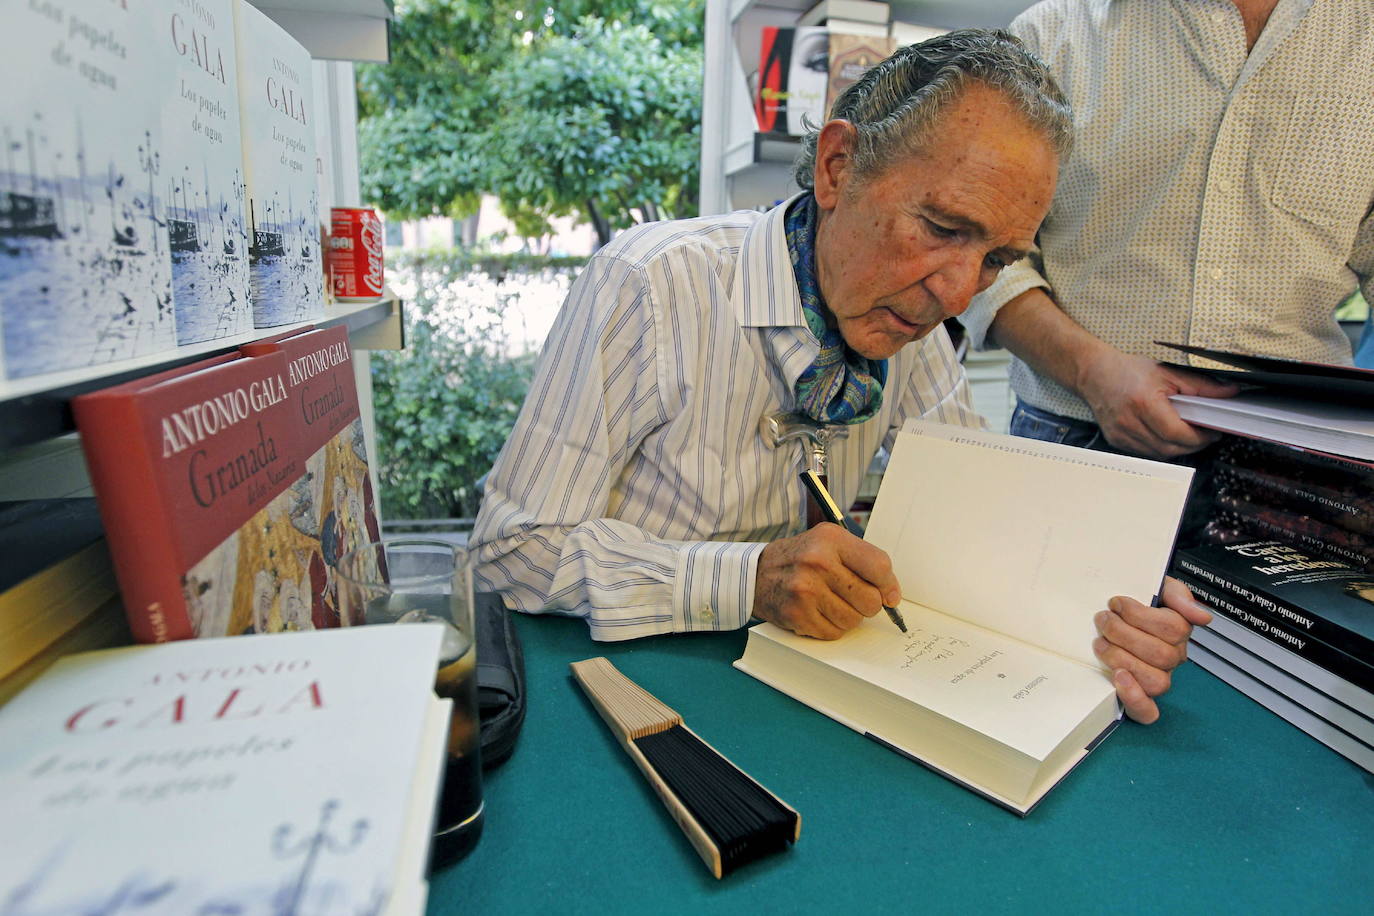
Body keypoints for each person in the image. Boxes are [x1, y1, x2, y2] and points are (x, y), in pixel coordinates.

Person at [471, 30, 1210, 724]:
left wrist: (1110, 595)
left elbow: (982, 508)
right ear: (837, 168)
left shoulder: (911, 323)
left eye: (994, 260)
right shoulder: (650, 284)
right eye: (944, 228)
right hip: (623, 695)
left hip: (796, 693)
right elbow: (510, 554)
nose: (956, 296)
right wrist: (747, 579)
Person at [959, 0, 1374, 459]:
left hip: (1308, 448)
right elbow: (975, 254)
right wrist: (1090, 371)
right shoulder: (1054, 34)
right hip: (1080, 430)